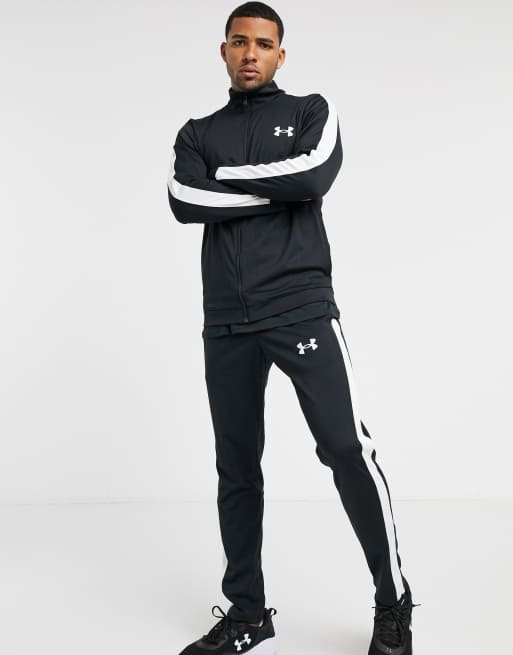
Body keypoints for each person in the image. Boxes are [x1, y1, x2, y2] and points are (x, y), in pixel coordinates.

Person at [167, 3, 421, 654]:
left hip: (300, 305)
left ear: (280, 54)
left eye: (263, 43)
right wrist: (280, 191)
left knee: (346, 448)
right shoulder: (197, 133)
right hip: (227, 320)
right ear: (223, 51)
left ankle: (392, 601)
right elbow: (184, 200)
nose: (250, 53)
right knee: (235, 468)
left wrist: (230, 181)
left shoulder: (311, 111)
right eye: (239, 42)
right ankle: (248, 614)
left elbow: (314, 173)